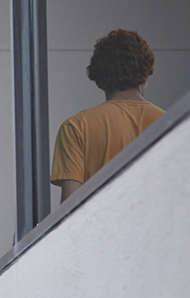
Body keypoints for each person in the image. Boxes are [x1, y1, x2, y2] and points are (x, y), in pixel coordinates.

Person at [52, 29, 165, 202]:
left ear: (99, 77)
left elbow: (70, 206)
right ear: (145, 74)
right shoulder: (169, 125)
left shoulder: (76, 127)